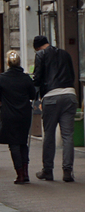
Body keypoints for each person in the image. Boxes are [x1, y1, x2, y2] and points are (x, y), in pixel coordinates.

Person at [33, 35, 78, 182]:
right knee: (67, 135)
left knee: (49, 134)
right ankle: (67, 170)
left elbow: (38, 77)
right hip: (70, 95)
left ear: (37, 48)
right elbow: (72, 74)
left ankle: (47, 170)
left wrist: (36, 94)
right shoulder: (65, 53)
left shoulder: (40, 54)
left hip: (52, 96)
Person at [0, 50, 34, 184]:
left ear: (8, 63)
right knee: (23, 142)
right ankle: (25, 171)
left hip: (9, 114)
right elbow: (33, 95)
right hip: (24, 114)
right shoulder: (25, 78)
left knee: (14, 144)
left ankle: (19, 174)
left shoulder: (2, 78)